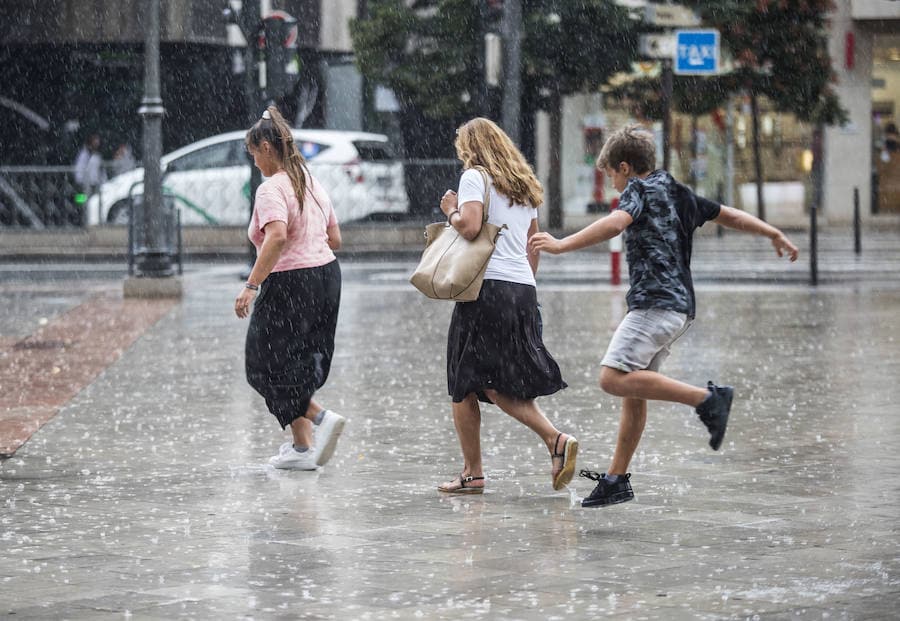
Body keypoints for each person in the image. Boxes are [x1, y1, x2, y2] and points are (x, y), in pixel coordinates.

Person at [528, 124, 799, 508]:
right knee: (634, 390)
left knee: (611, 378)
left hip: (654, 304)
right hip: (679, 307)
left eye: (612, 176)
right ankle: (616, 479)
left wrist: (560, 244)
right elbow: (729, 215)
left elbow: (615, 223)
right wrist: (772, 232)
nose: (614, 186)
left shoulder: (639, 190)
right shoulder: (677, 190)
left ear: (625, 167)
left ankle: (707, 399)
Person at [436, 117, 577, 495]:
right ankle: (474, 472)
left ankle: (553, 440)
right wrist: (524, 290)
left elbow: (468, 226)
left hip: (487, 289)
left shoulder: (474, 177)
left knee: (470, 381)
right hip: (521, 289)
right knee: (477, 382)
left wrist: (450, 208)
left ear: (471, 147)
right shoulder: (523, 187)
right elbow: (533, 247)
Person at [235, 106, 346, 470]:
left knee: (261, 365)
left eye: (254, 154)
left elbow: (277, 236)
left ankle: (320, 418)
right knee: (296, 362)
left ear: (266, 147)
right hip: (327, 276)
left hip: (291, 282)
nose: (255, 163)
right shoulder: (309, 181)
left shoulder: (272, 188)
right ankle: (302, 449)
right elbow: (335, 237)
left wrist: (252, 284)